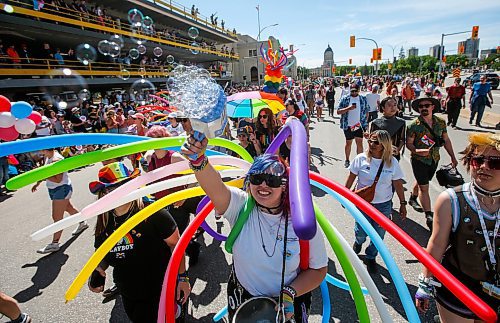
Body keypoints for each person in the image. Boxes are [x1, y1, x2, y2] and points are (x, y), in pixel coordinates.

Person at [180, 132, 328, 321]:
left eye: (273, 181)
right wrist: (198, 160)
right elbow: (215, 187)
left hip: (288, 301)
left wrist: (290, 292)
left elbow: (318, 270)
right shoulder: (240, 206)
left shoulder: (302, 220)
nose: (263, 185)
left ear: (284, 185)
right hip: (243, 298)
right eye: (257, 179)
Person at [88, 162, 190, 322]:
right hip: (128, 290)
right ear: (104, 193)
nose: (118, 193)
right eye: (112, 188)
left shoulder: (153, 212)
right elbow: (103, 252)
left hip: (159, 287)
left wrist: (183, 278)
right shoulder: (105, 220)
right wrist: (99, 269)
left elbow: (176, 245)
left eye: (124, 186)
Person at [415, 133, 500, 322]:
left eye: (495, 163)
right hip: (457, 288)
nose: (484, 167)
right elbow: (436, 245)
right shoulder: (451, 200)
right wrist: (425, 283)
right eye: (478, 160)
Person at [345, 130, 407, 272]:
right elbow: (351, 178)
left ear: (384, 145)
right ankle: (358, 242)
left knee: (378, 235)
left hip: (383, 205)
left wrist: (403, 204)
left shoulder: (392, 163)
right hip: (362, 203)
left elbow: (398, 184)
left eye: (376, 142)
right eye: (370, 141)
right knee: (361, 231)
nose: (372, 144)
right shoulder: (360, 159)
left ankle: (371, 256)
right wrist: (344, 195)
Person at [406, 97, 458, 230]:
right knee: (425, 187)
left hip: (434, 158)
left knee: (423, 181)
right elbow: (409, 143)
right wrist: (417, 150)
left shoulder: (440, 122)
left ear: (432, 107)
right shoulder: (413, 125)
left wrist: (452, 156)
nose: (424, 108)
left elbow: (446, 140)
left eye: (426, 105)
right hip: (419, 160)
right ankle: (429, 215)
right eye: (421, 106)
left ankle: (413, 197)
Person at [31, 148, 87, 253]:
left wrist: (41, 175)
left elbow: (58, 179)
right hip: (54, 189)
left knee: (57, 218)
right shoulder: (48, 156)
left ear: (45, 149)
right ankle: (82, 222)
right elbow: (45, 171)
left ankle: (55, 243)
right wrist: (37, 183)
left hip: (61, 189)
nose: (38, 150)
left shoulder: (56, 159)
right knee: (69, 208)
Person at [336, 83, 369, 168]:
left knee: (359, 143)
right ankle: (347, 159)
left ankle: (360, 161)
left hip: (358, 125)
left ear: (359, 90)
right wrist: (348, 108)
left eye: (355, 91)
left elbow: (367, 111)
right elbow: (338, 111)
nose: (353, 93)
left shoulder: (363, 99)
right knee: (348, 143)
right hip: (348, 125)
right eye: (352, 91)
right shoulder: (345, 99)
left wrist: (366, 124)